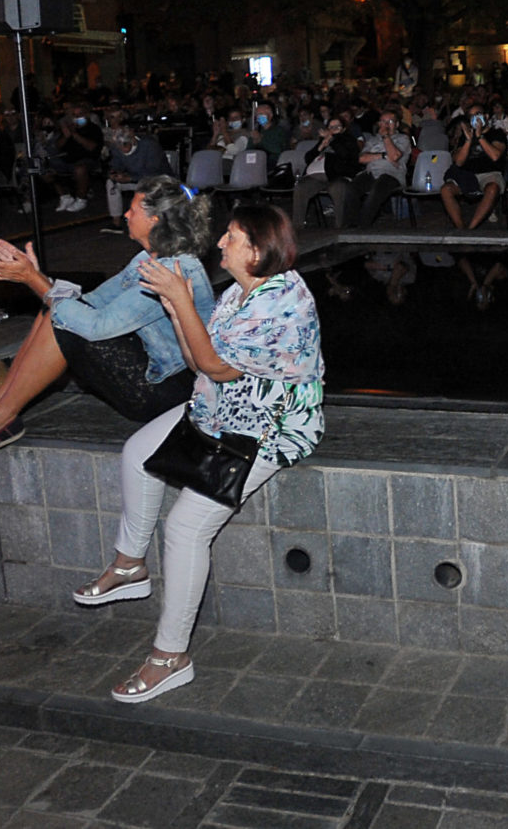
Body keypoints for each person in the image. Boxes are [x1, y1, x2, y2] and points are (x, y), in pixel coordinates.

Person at [76, 205, 324, 704]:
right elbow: (200, 363)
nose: (219, 244)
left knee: (186, 527)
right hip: (219, 408)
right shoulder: (241, 290)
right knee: (138, 451)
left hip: (267, 427)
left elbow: (215, 363)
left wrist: (180, 299)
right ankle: (130, 566)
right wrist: (176, 305)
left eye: (230, 237)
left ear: (255, 251)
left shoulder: (283, 304)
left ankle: (170, 657)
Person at [0, 176, 216, 463]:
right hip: (150, 371)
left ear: (155, 220)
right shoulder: (150, 258)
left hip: (167, 393)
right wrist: (36, 275)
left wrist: (32, 279)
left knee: (65, 321)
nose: (126, 214)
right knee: (59, 311)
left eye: (132, 209)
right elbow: (90, 300)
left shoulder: (175, 271)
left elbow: (96, 326)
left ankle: (0, 416)